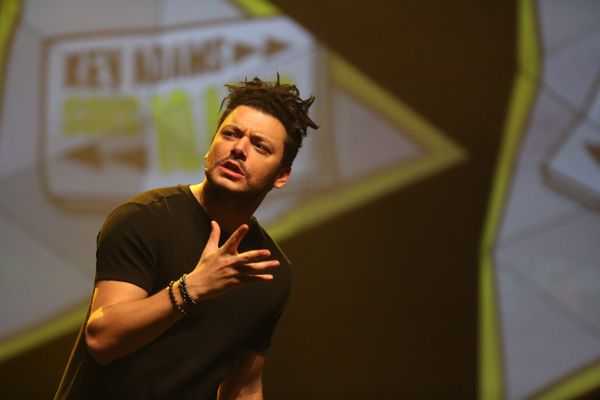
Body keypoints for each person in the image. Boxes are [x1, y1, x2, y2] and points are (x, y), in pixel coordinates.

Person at [55, 76, 318, 399]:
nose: (239, 148)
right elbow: (102, 340)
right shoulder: (144, 218)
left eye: (260, 145)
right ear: (211, 145)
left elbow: (243, 387)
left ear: (281, 175)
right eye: (231, 134)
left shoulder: (271, 271)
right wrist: (193, 288)